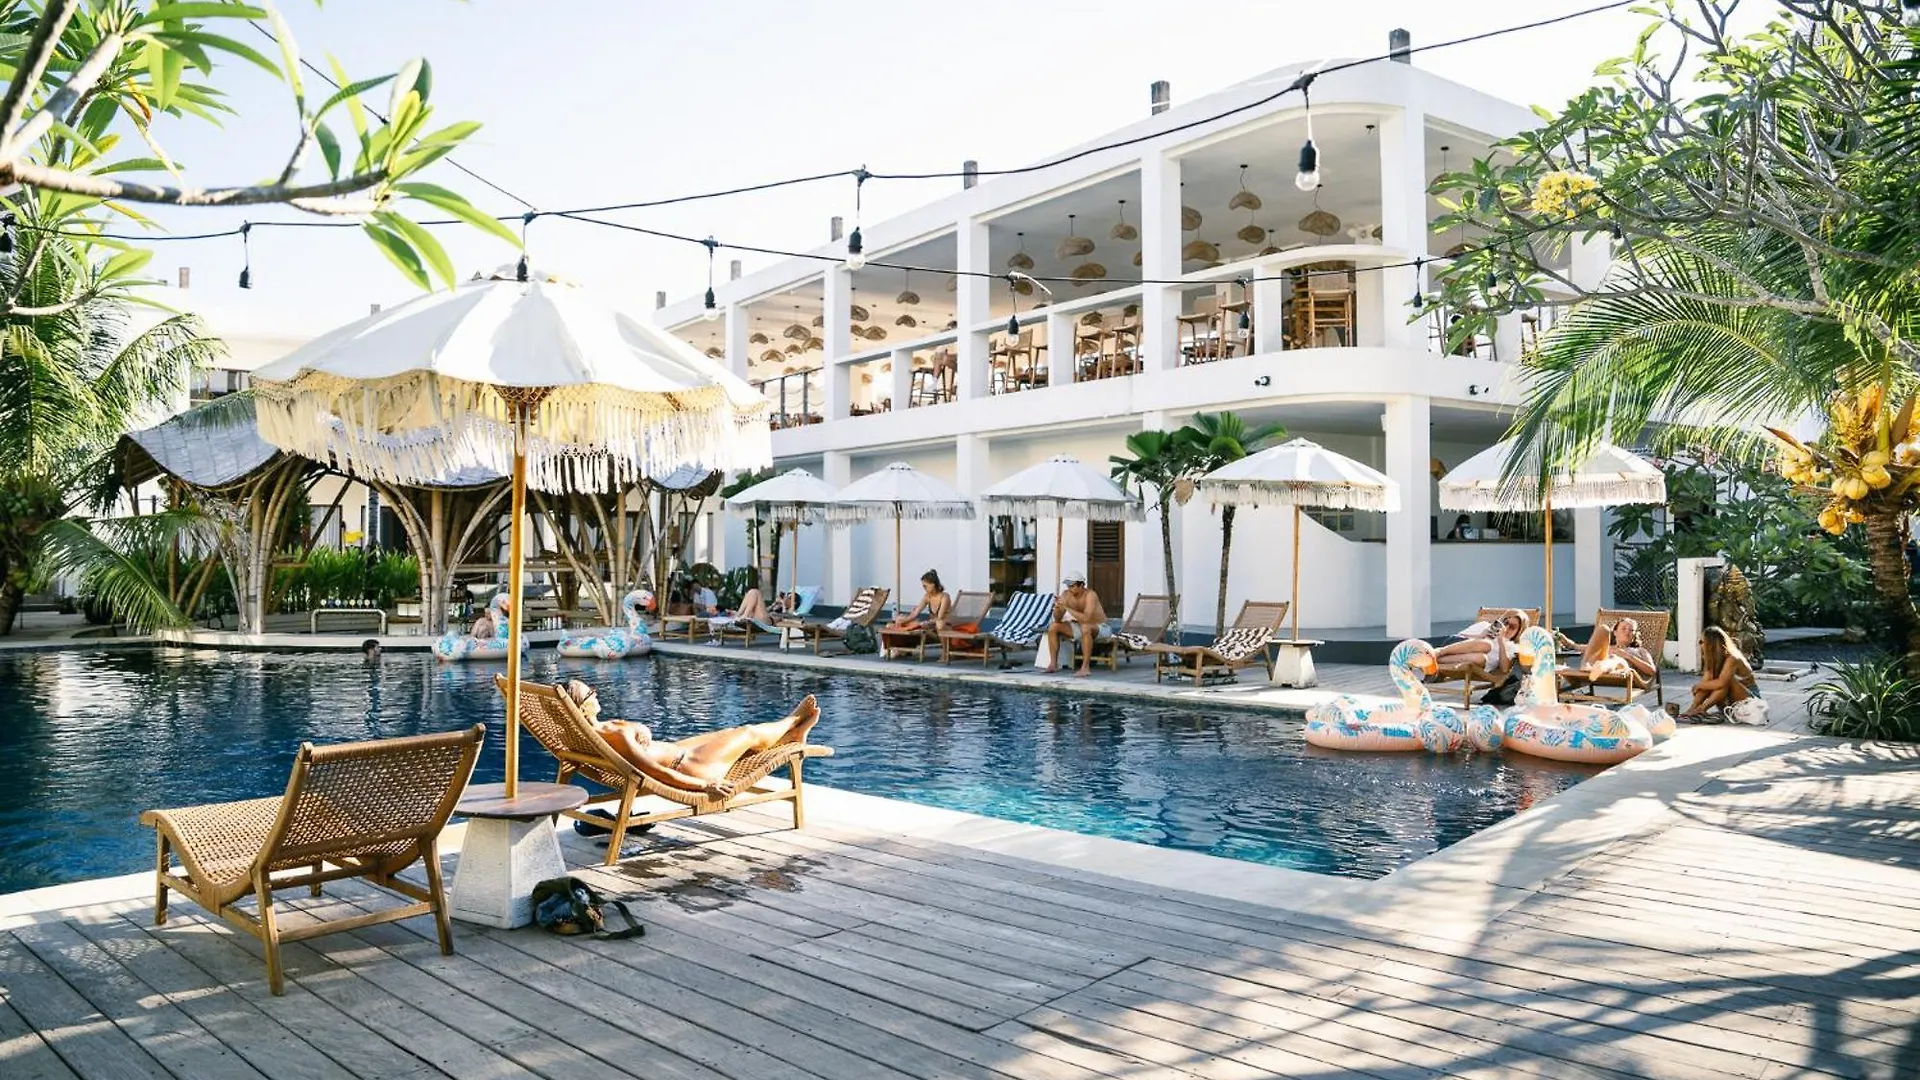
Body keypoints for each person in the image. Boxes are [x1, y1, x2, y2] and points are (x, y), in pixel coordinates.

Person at [563, 681, 820, 798]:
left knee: (731, 734)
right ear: (581, 708)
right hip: (688, 768)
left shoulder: (586, 734)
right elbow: (654, 772)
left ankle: (791, 737)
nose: (596, 694)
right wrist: (704, 786)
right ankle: (792, 721)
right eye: (591, 693)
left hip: (681, 753)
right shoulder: (613, 736)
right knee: (747, 732)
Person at [1678, 626, 1758, 721]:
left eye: (1701, 642)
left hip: (1752, 704)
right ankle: (1693, 709)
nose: (1700, 645)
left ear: (1711, 644)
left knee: (1725, 681)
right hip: (1731, 704)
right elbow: (1706, 683)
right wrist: (1694, 705)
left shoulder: (1733, 658)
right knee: (1710, 683)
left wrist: (1699, 685)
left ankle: (1701, 709)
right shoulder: (1712, 659)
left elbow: (1721, 683)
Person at [1562, 616, 1657, 688]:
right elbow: (1575, 646)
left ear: (1634, 635)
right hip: (1595, 670)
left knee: (1615, 658)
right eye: (1624, 628)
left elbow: (1652, 671)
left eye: (1631, 630)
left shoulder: (1640, 650)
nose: (1627, 632)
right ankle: (1588, 666)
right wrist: (1564, 639)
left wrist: (1628, 656)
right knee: (1603, 628)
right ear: (1615, 632)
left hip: (1622, 672)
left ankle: (1600, 667)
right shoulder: (1607, 648)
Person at [1045, 573, 1110, 677]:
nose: (1070, 589)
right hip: (1079, 626)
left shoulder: (1090, 595)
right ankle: (1053, 664)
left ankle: (1085, 667)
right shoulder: (1066, 594)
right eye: (1068, 586)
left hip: (1100, 627)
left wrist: (1067, 608)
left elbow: (1086, 619)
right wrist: (1058, 608)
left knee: (1086, 627)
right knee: (1054, 626)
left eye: (1072, 586)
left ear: (1081, 585)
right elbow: (1057, 619)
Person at [1431, 609, 1527, 677]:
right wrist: (1480, 636)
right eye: (1505, 623)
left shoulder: (1512, 647)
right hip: (1451, 647)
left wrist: (1501, 641)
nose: (1507, 628)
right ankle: (1438, 652)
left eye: (1512, 627)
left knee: (1481, 658)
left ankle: (1432, 658)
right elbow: (1457, 637)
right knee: (1487, 645)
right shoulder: (1485, 626)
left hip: (1472, 662)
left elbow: (1505, 669)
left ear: (1519, 631)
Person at [881, 570, 952, 657]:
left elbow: (940, 617)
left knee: (939, 623)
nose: (924, 588)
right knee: (901, 619)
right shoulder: (927, 596)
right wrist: (903, 620)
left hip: (944, 626)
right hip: (931, 626)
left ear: (933, 584)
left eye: (925, 586)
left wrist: (925, 623)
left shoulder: (945, 597)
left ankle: (945, 653)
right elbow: (916, 612)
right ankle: (898, 648)